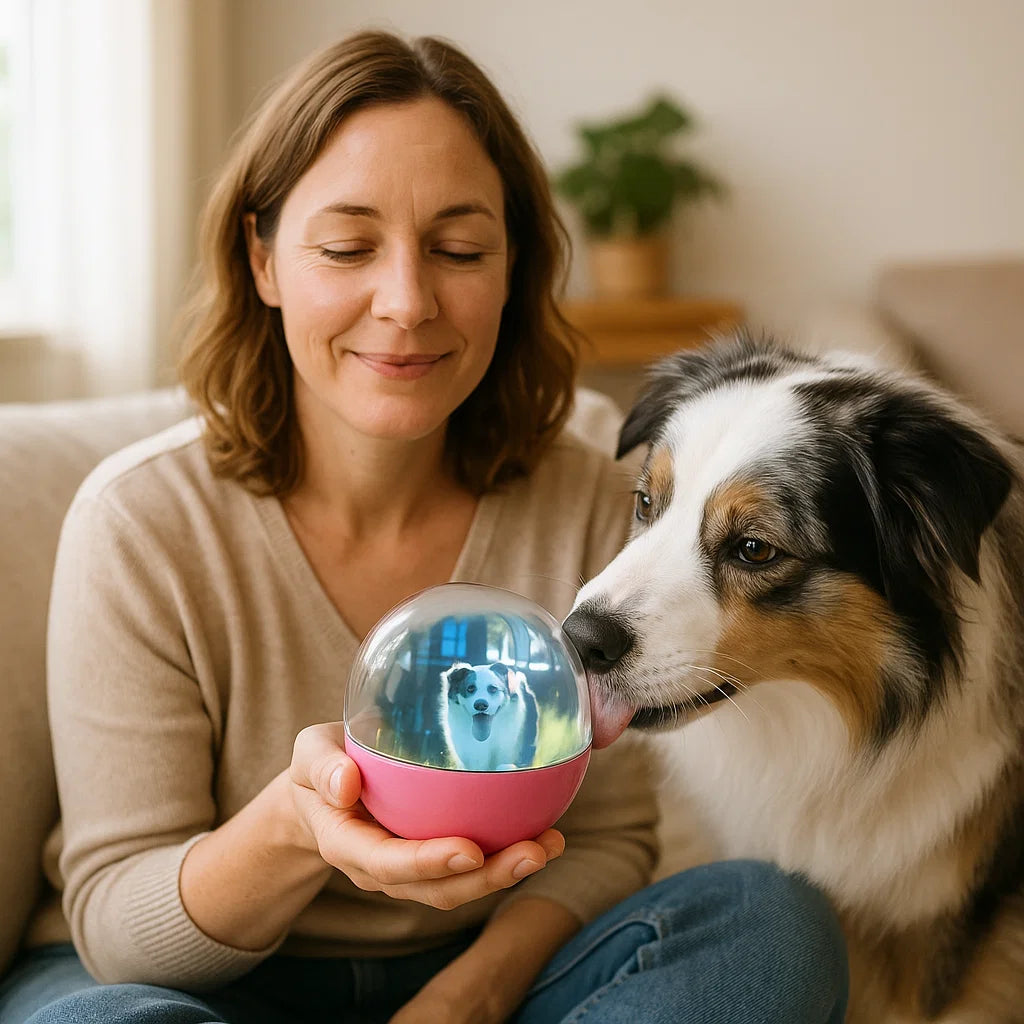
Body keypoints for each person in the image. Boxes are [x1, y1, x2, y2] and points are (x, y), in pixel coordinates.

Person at [0, 30, 848, 1024]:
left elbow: (611, 839)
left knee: (768, 920)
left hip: (488, 975)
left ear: (512, 268)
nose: (405, 302)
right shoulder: (140, 523)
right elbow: (117, 926)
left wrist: (463, 1002)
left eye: (457, 250)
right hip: (195, 989)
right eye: (348, 247)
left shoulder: (588, 503)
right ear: (263, 257)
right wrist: (297, 827)